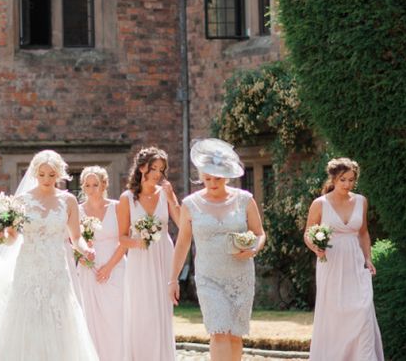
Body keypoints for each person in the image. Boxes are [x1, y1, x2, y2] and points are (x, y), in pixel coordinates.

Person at [0, 149, 99, 360]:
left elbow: (75, 237)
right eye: (42, 175)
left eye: (51, 175)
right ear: (35, 174)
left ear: (59, 174)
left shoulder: (68, 201)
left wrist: (86, 249)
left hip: (56, 268)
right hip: (29, 267)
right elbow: (13, 237)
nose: (47, 179)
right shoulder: (22, 201)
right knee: (27, 316)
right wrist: (0, 236)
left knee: (58, 316)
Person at [169, 139, 265, 361]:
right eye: (207, 178)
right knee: (219, 331)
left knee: (235, 335)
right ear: (201, 176)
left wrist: (253, 249)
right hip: (208, 278)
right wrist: (173, 279)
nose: (212, 183)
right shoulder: (190, 204)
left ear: (227, 176)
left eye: (217, 178)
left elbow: (260, 233)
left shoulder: (244, 200)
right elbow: (183, 242)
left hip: (240, 276)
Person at [305, 157, 384, 361]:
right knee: (335, 314)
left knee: (363, 309)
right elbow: (308, 233)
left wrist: (368, 258)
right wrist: (316, 248)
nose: (348, 184)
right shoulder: (320, 203)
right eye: (343, 180)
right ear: (333, 179)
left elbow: (364, 233)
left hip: (355, 262)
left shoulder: (361, 201)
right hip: (330, 262)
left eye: (351, 180)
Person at [117, 146, 180, 361]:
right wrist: (138, 242)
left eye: (162, 170)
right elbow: (122, 238)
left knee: (162, 311)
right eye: (154, 168)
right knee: (141, 312)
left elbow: (181, 223)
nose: (158, 174)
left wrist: (172, 199)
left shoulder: (165, 194)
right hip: (139, 260)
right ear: (142, 168)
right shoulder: (127, 198)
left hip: (164, 256)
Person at [76, 166, 126, 361]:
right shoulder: (78, 210)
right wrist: (81, 255)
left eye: (95, 184)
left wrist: (109, 267)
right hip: (89, 269)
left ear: (104, 184)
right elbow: (73, 240)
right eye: (87, 185)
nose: (91, 189)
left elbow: (125, 240)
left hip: (116, 266)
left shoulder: (116, 207)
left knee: (116, 318)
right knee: (91, 319)